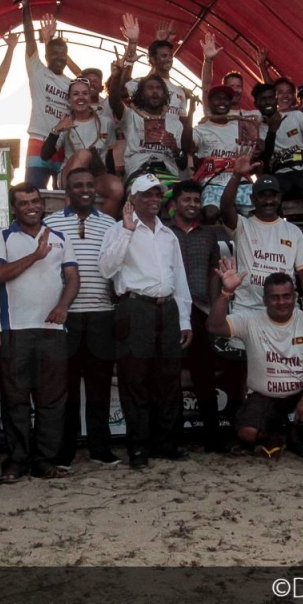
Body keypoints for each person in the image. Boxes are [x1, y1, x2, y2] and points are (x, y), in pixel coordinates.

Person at [207, 259, 303, 469]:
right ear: (265, 300)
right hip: (265, 397)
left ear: (294, 297)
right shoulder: (250, 319)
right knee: (247, 434)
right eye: (275, 297)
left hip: (301, 396)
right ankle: (278, 434)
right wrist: (226, 292)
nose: (282, 302)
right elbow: (214, 326)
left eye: (287, 296)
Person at [0, 183, 79, 482]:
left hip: (53, 329)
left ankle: (44, 461)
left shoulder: (60, 237)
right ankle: (16, 462)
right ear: (14, 208)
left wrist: (63, 306)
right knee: (16, 400)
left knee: (52, 399)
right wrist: (36, 256)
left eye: (35, 201)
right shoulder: (0, 236)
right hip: (15, 329)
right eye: (24, 202)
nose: (31, 207)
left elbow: (72, 278)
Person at [98, 174, 192, 468]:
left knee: (168, 379)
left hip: (167, 308)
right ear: (132, 199)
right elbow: (106, 269)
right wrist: (127, 231)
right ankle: (138, 447)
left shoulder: (167, 235)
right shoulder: (117, 230)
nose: (154, 200)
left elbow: (179, 278)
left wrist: (185, 320)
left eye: (157, 195)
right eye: (147, 194)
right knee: (135, 380)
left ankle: (167, 444)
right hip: (134, 307)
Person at [45, 168, 121, 467]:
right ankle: (64, 451)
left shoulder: (110, 224)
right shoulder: (51, 223)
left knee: (99, 387)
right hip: (66, 317)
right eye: (78, 185)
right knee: (66, 387)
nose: (85, 190)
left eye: (90, 185)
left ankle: (100, 449)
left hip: (102, 314)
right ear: (67, 190)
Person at [167, 179, 233, 451]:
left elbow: (214, 274)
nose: (192, 205)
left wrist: (214, 307)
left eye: (196, 200)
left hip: (200, 310)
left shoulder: (208, 235)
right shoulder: (163, 232)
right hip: (169, 310)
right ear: (175, 204)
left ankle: (212, 438)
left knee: (204, 375)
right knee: (169, 376)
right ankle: (171, 439)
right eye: (187, 200)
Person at [220, 151, 303, 315]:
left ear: (279, 198)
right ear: (252, 199)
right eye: (262, 196)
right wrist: (236, 175)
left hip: (284, 310)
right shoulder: (242, 226)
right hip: (247, 309)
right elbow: (225, 207)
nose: (268, 201)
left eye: (272, 196)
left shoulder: (293, 231)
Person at [42, 77, 123, 216]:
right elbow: (44, 155)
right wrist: (56, 130)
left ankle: (103, 226)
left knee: (117, 188)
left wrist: (113, 177)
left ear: (90, 96)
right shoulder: (65, 123)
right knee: (84, 154)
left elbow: (109, 156)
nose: (81, 97)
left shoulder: (106, 122)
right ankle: (71, 217)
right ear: (69, 99)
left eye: (85, 93)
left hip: (96, 177)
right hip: (69, 178)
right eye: (76, 94)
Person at [21, 0, 72, 187]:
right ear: (46, 56)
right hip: (38, 140)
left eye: (63, 54)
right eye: (54, 54)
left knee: (62, 196)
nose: (59, 57)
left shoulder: (72, 84)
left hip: (63, 145)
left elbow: (88, 82)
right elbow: (29, 40)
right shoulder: (38, 71)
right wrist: (26, 7)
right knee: (34, 193)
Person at [261, 79, 303, 215]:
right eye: (280, 92)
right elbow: (265, 156)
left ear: (293, 96)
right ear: (273, 97)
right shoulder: (262, 122)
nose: (285, 96)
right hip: (281, 172)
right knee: (270, 205)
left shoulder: (298, 115)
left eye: (289, 92)